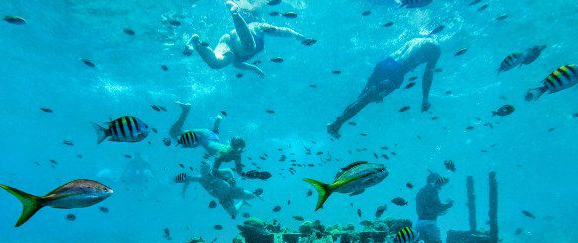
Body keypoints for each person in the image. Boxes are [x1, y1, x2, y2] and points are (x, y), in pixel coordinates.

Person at [327, 36, 441, 138]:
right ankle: (335, 125)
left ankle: (336, 124)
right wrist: (425, 98)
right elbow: (428, 73)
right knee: (365, 100)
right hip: (396, 72)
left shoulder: (416, 40)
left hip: (385, 63)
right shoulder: (435, 47)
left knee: (361, 98)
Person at [187, 1, 315, 78]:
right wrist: (298, 36)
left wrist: (256, 70)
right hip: (238, 37)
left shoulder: (235, 60)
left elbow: (244, 66)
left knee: (216, 64)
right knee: (249, 48)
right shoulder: (258, 25)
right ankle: (235, 13)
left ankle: (196, 42)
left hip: (226, 42)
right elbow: (281, 31)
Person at [168, 102, 246, 175]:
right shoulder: (223, 154)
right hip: (206, 134)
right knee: (174, 132)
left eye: (241, 150)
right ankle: (186, 110)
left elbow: (239, 171)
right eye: (239, 149)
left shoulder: (237, 155)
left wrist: (250, 175)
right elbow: (214, 171)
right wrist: (226, 178)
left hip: (212, 138)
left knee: (204, 141)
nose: (240, 152)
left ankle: (217, 123)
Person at [180, 162, 258, 219]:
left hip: (230, 190)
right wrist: (184, 190)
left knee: (252, 196)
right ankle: (242, 202)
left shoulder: (214, 172)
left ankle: (246, 199)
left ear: (209, 167)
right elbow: (188, 178)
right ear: (201, 170)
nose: (204, 170)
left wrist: (232, 178)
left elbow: (228, 170)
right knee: (233, 213)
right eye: (202, 168)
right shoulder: (200, 178)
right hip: (222, 198)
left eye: (206, 167)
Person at [414, 172, 453, 243]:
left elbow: (425, 208)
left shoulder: (420, 191)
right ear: (435, 181)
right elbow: (438, 207)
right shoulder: (433, 190)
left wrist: (438, 210)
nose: (441, 185)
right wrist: (449, 204)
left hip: (420, 223)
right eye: (440, 182)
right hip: (430, 224)